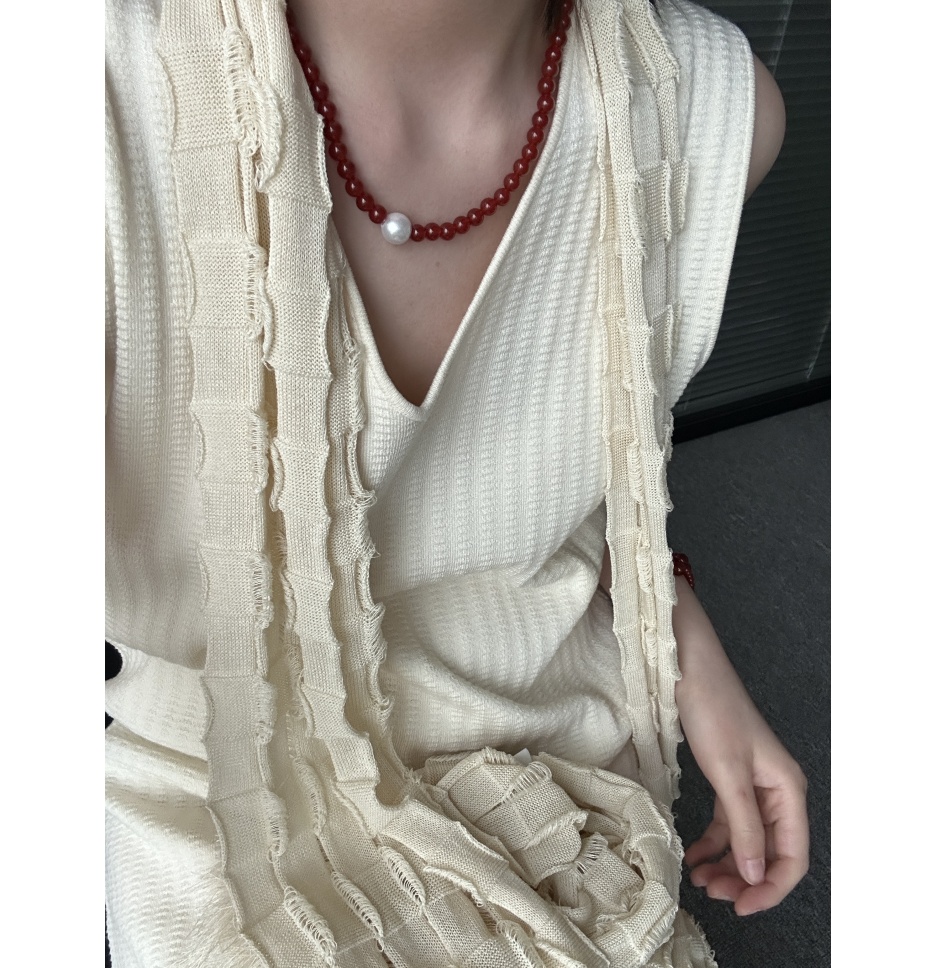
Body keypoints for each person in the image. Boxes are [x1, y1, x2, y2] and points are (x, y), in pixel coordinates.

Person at [105, 0, 807, 964]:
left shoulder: (708, 108)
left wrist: (684, 640)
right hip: (228, 815)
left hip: (571, 784)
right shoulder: (97, 100)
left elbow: (560, 461)